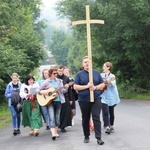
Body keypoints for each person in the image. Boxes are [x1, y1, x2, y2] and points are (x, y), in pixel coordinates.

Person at [74, 56, 106, 145]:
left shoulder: (96, 73)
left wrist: (95, 87)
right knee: (85, 118)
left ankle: (99, 138)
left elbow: (102, 84)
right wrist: (87, 86)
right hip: (83, 99)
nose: (87, 63)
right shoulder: (79, 74)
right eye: (85, 62)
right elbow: (75, 86)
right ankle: (86, 136)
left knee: (96, 117)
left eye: (88, 62)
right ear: (83, 64)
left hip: (96, 98)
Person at [38, 67, 69, 140]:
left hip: (58, 101)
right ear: (50, 74)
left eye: (56, 73)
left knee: (57, 118)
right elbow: (38, 90)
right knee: (51, 117)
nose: (56, 75)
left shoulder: (60, 81)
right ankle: (53, 134)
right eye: (54, 73)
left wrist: (66, 88)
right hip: (50, 102)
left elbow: (63, 91)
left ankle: (55, 131)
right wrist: (45, 92)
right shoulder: (46, 82)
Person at [101, 62, 120, 134]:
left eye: (104, 66)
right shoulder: (101, 75)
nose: (103, 68)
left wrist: (109, 82)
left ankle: (111, 125)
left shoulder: (112, 76)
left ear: (108, 68)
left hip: (111, 96)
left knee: (111, 112)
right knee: (105, 111)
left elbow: (113, 85)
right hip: (103, 96)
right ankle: (107, 126)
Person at [57, 65, 72, 132]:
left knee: (64, 112)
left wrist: (71, 99)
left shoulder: (66, 78)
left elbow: (70, 90)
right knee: (58, 112)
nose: (60, 72)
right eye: (59, 71)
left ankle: (63, 126)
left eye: (62, 71)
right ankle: (56, 125)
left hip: (65, 97)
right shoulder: (55, 77)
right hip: (56, 97)